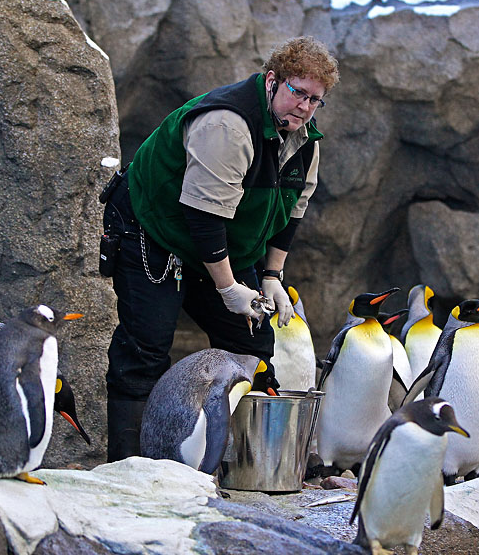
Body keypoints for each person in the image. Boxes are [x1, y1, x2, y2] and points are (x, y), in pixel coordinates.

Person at [101, 36, 340, 461]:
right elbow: (204, 218)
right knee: (145, 346)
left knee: (251, 344)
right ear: (272, 81)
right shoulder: (228, 125)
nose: (304, 106)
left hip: (221, 242)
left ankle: (236, 463)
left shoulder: (305, 141)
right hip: (153, 225)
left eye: (315, 100)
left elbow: (293, 211)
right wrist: (229, 290)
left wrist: (271, 278)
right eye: (296, 92)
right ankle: (128, 465)